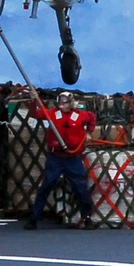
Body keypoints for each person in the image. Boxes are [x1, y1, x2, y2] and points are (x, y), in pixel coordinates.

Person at [24, 89, 97, 230]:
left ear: (72, 103)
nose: (62, 105)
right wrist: (34, 101)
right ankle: (34, 218)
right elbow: (35, 114)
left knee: (81, 188)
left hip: (73, 158)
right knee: (46, 186)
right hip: (55, 157)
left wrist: (88, 132)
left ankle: (87, 218)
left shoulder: (80, 116)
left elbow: (92, 118)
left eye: (65, 103)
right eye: (60, 103)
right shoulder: (52, 114)